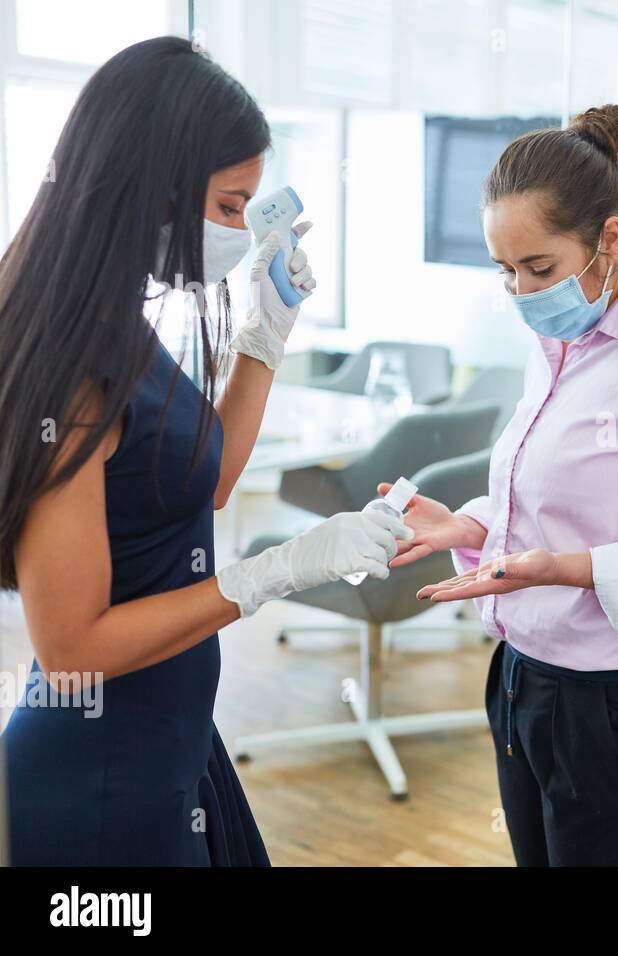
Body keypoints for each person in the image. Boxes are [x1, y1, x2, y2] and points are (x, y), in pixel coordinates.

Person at [0, 37, 410, 865]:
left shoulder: (120, 326)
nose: (234, 232)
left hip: (170, 739)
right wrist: (270, 574)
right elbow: (70, 646)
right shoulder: (70, 372)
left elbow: (207, 479)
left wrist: (265, 330)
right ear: (153, 185)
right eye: (228, 207)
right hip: (100, 777)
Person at [384, 104, 618, 866]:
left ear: (608, 239)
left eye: (539, 268)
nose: (521, 292)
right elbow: (556, 503)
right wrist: (471, 526)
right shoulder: (556, 342)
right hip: (525, 682)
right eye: (506, 271)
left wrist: (569, 570)